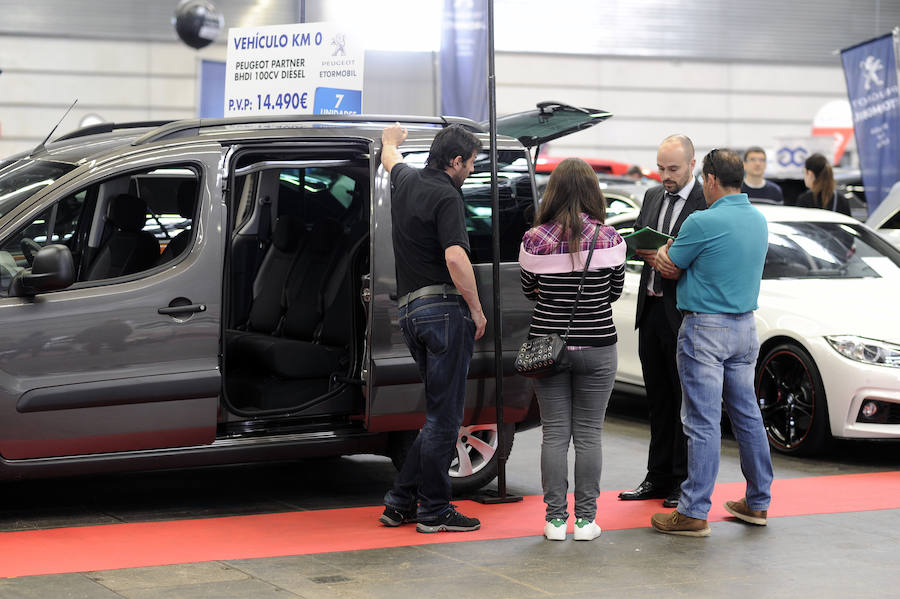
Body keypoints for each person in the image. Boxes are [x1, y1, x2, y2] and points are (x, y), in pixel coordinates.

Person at [650, 148, 773, 537]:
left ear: (711, 179)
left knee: (701, 421)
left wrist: (666, 251)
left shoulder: (701, 221)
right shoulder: (758, 219)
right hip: (744, 329)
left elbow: (670, 264)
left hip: (705, 329)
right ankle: (758, 501)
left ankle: (693, 511)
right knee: (748, 417)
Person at [378, 123, 487, 534]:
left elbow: (391, 158)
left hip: (408, 312)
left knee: (437, 416)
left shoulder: (406, 180)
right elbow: (456, 259)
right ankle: (435, 510)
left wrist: (391, 140)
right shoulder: (447, 195)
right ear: (456, 161)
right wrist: (476, 310)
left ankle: (400, 502)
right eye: (471, 162)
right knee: (446, 418)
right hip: (442, 310)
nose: (472, 170)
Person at [519, 158, 626, 541]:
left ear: (554, 192)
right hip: (598, 346)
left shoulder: (534, 239)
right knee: (589, 436)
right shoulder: (611, 239)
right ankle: (584, 521)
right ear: (593, 192)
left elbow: (530, 291)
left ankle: (553, 521)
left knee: (553, 435)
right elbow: (613, 293)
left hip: (548, 350)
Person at [618, 134, 706, 509]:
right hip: (650, 310)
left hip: (683, 312)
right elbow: (641, 239)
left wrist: (673, 258)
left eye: (673, 169)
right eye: (661, 168)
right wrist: (644, 250)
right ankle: (657, 475)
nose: (665, 176)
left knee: (683, 400)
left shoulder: (706, 203)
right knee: (656, 399)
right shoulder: (653, 196)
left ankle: (682, 481)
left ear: (692, 164)